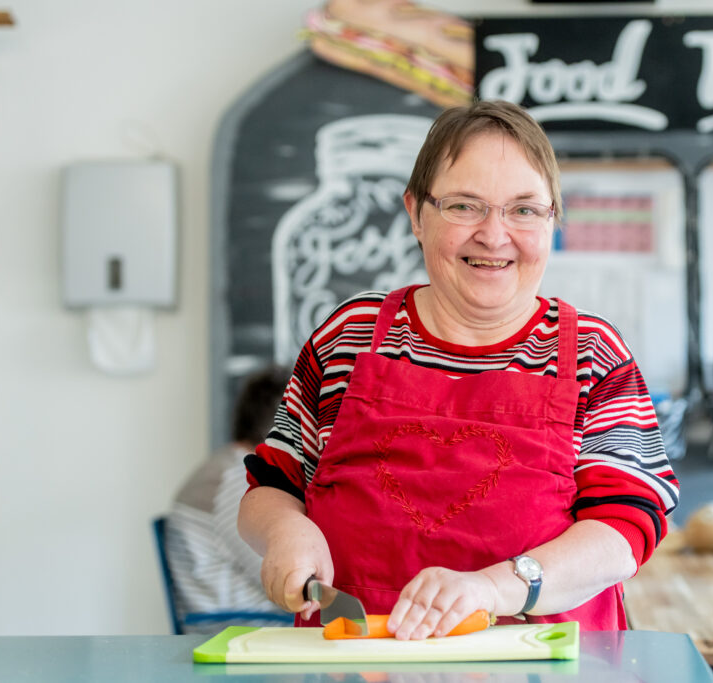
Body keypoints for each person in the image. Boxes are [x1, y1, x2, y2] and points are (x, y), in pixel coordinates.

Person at [239, 100, 679, 639]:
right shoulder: (348, 337)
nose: (494, 235)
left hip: (544, 669)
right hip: (354, 664)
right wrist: (284, 529)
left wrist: (494, 588)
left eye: (524, 210)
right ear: (415, 214)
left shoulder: (593, 352)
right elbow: (271, 484)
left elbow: (626, 528)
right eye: (464, 206)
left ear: (552, 220)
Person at [164, 365, 291, 632]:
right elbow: (284, 577)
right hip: (243, 629)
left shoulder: (227, 467)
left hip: (238, 623)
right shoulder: (239, 479)